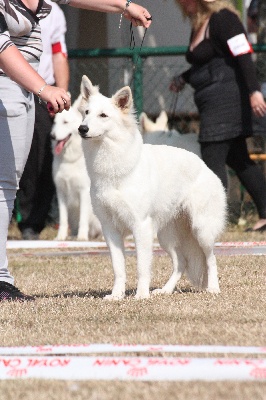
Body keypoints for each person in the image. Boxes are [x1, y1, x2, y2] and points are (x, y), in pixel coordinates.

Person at [0, 0, 152, 302]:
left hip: (23, 89)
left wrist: (124, 6)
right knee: (3, 185)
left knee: (8, 183)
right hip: (11, 84)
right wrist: (44, 88)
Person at [170, 0, 266, 232]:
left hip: (227, 102)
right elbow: (210, 62)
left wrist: (254, 92)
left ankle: (211, 223)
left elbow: (243, 54)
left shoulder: (224, 18)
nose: (182, 4)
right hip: (211, 101)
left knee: (211, 156)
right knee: (239, 159)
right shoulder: (200, 23)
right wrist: (184, 78)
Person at [16, 0, 70, 240]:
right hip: (9, 87)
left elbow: (59, 54)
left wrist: (61, 94)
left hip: (43, 93)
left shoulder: (54, 11)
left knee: (41, 160)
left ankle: (32, 222)